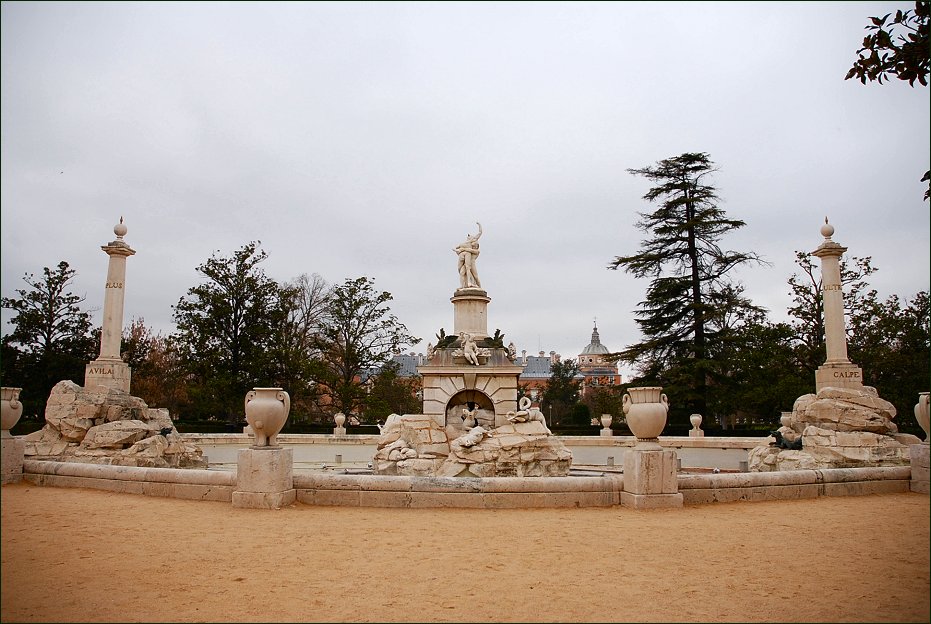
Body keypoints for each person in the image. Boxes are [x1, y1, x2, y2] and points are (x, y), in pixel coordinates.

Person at [454, 222, 482, 289]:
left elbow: (480, 233)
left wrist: (479, 225)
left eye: (475, 245)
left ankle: (479, 287)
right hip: (466, 263)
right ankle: (463, 285)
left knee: (475, 276)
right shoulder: (469, 247)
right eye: (473, 245)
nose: (474, 245)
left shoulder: (476, 251)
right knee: (462, 273)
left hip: (472, 264)